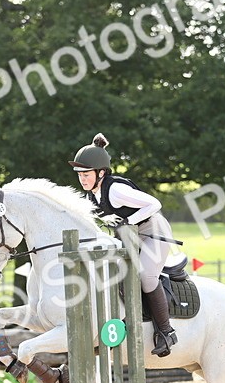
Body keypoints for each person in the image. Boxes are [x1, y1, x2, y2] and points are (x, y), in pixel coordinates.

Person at [69, 133, 178, 357]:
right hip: (128, 236)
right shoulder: (91, 196)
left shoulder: (116, 190)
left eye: (86, 174)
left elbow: (154, 203)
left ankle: (166, 332)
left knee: (146, 277)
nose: (82, 179)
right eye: (80, 175)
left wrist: (129, 221)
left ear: (101, 173)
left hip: (154, 232)